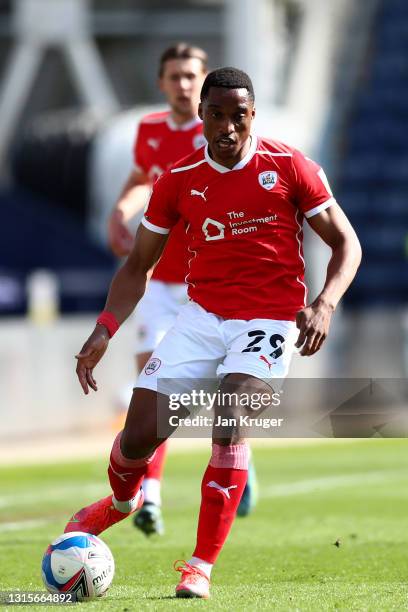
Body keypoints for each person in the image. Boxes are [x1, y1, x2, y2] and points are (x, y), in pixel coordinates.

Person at [65, 67, 362, 599]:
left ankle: (199, 565)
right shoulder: (178, 180)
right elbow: (137, 266)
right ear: (201, 116)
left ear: (253, 116)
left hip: (269, 322)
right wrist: (104, 330)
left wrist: (324, 303)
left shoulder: (291, 166)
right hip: (200, 321)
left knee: (229, 422)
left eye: (239, 116)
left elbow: (347, 243)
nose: (228, 128)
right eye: (217, 115)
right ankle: (121, 502)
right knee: (137, 439)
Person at [107, 44, 257, 535]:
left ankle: (238, 460)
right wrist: (121, 208)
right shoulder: (149, 131)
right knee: (153, 390)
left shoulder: (219, 128)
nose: (183, 83)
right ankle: (150, 496)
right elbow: (139, 179)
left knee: (226, 391)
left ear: (204, 80)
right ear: (161, 83)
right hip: (158, 284)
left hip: (208, 290)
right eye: (175, 76)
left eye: (192, 75)